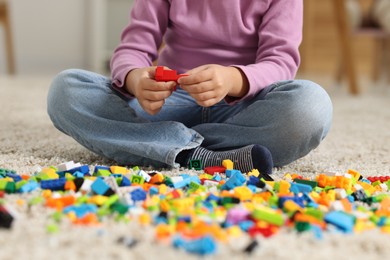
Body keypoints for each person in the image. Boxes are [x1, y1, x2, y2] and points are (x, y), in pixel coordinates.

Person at [47, 0, 333, 176]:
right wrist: (136, 80)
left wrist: (232, 79)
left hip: (243, 110)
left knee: (311, 106)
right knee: (66, 90)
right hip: (169, 103)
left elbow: (280, 62)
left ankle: (164, 148)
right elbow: (133, 48)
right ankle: (201, 155)